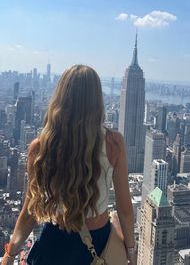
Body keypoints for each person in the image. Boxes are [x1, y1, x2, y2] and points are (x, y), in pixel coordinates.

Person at [1, 65, 137, 265]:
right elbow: (125, 208)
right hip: (98, 245)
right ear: (97, 101)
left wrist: (10, 254)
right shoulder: (113, 142)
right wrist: (131, 252)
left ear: (61, 98)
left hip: (53, 245)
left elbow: (30, 210)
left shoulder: (40, 147)